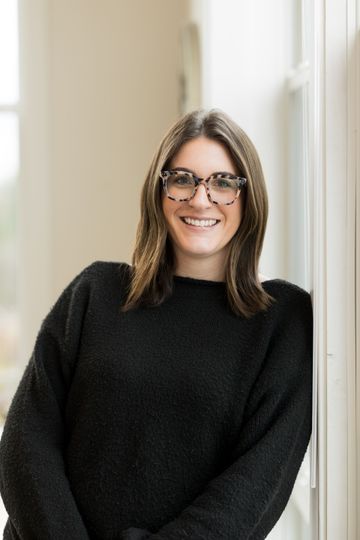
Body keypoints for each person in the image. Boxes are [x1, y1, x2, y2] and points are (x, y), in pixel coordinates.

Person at [0, 108, 313, 539]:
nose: (200, 198)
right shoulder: (96, 292)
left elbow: (256, 486)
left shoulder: (282, 322)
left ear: (248, 197)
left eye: (223, 182)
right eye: (182, 179)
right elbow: (25, 442)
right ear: (159, 190)